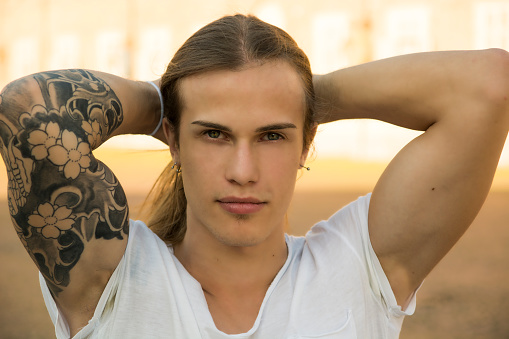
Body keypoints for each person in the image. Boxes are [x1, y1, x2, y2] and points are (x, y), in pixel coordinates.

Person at [1, 14, 508, 339]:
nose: (243, 172)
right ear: (173, 140)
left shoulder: (359, 270)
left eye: (272, 136)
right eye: (214, 134)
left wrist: (299, 93)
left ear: (306, 141)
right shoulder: (111, 279)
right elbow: (29, 110)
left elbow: (489, 83)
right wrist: (165, 101)